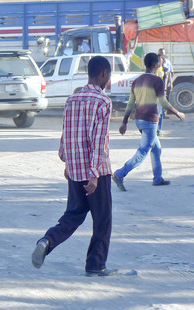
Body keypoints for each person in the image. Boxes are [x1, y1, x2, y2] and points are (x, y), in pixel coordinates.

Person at [32, 56, 116, 277]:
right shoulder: (102, 102)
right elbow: (99, 140)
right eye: (109, 75)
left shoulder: (72, 100)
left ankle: (47, 240)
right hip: (95, 172)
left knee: (73, 214)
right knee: (103, 219)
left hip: (75, 170)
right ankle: (96, 265)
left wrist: (67, 161)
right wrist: (95, 174)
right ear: (104, 74)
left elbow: (65, 135)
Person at [112, 53, 185, 191]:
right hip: (150, 120)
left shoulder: (137, 81)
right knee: (143, 152)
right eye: (159, 63)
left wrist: (124, 122)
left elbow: (130, 104)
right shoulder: (157, 81)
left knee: (156, 148)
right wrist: (178, 113)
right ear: (155, 65)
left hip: (139, 119)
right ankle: (119, 174)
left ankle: (158, 178)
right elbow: (163, 103)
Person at [157, 48, 174, 135]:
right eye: (160, 54)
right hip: (154, 91)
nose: (161, 56)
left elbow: (169, 74)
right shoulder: (155, 65)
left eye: (163, 54)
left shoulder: (166, 64)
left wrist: (170, 84)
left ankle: (158, 130)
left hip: (162, 90)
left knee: (160, 111)